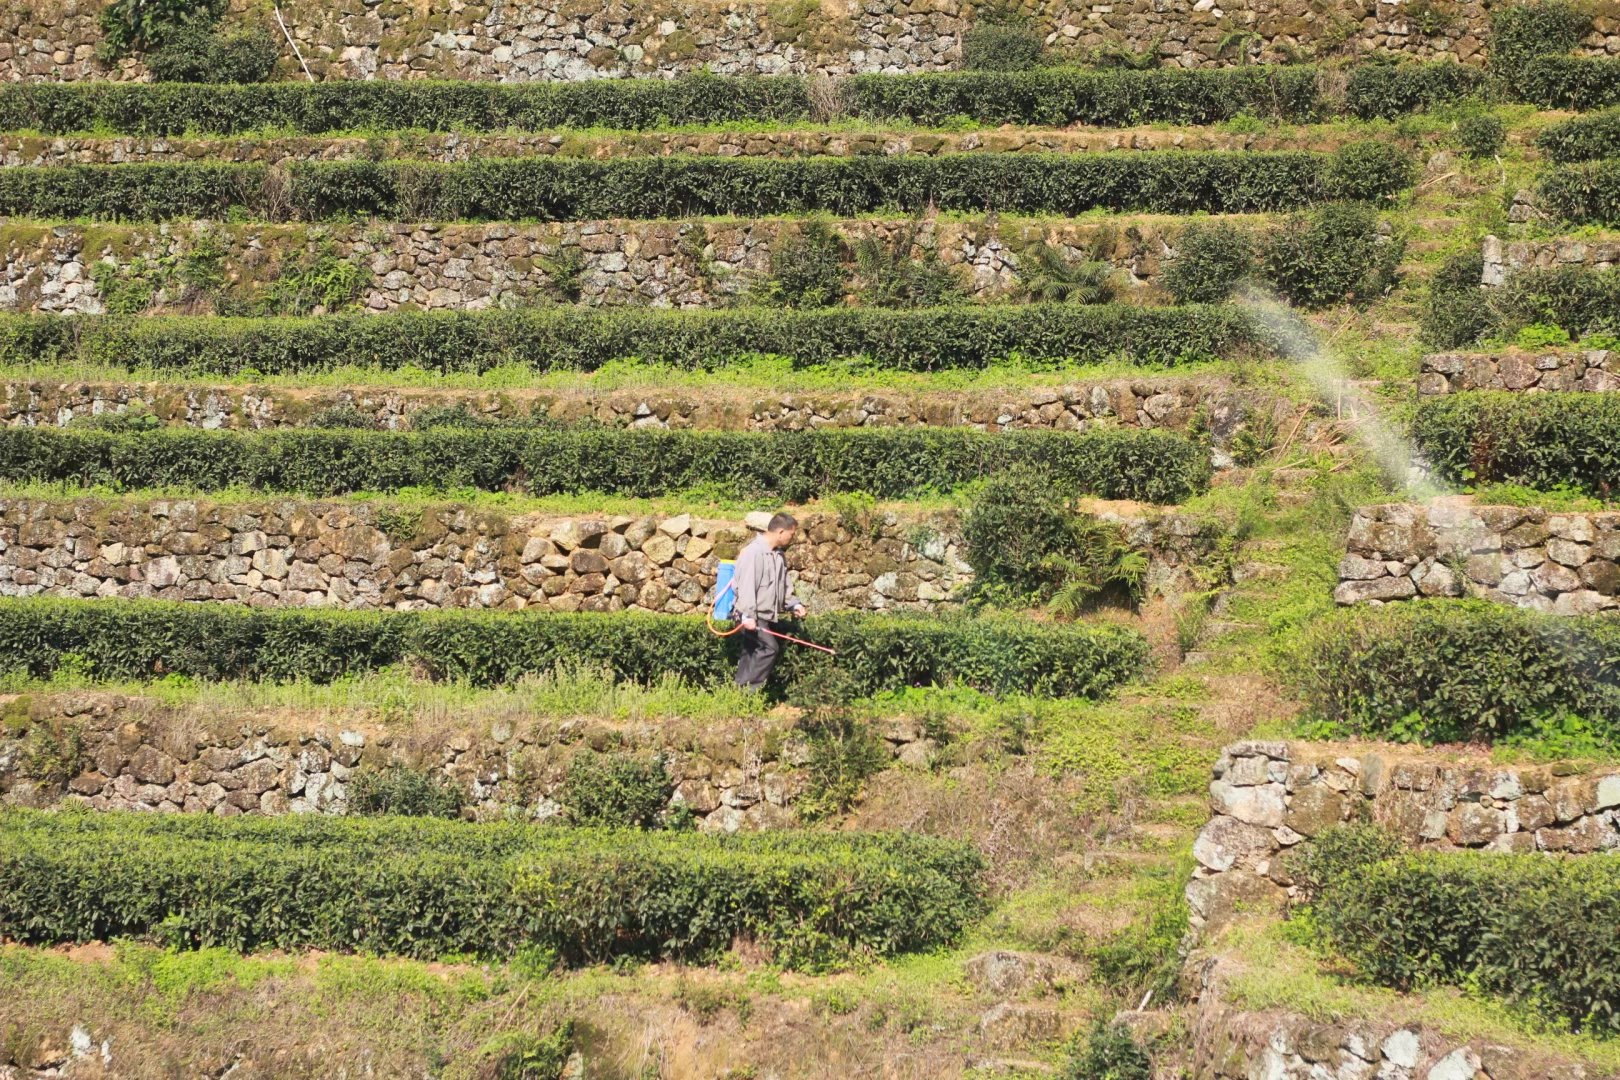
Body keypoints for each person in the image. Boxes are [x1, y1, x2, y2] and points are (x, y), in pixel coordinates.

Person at [732, 511, 806, 690]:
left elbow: (784, 584)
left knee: (750, 653)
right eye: (792, 534)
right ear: (781, 532)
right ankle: (750, 695)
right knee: (769, 649)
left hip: (763, 616)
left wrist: (793, 604)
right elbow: (746, 586)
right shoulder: (753, 553)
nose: (793, 538)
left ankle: (736, 695)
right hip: (750, 616)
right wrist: (747, 615)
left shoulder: (778, 555)